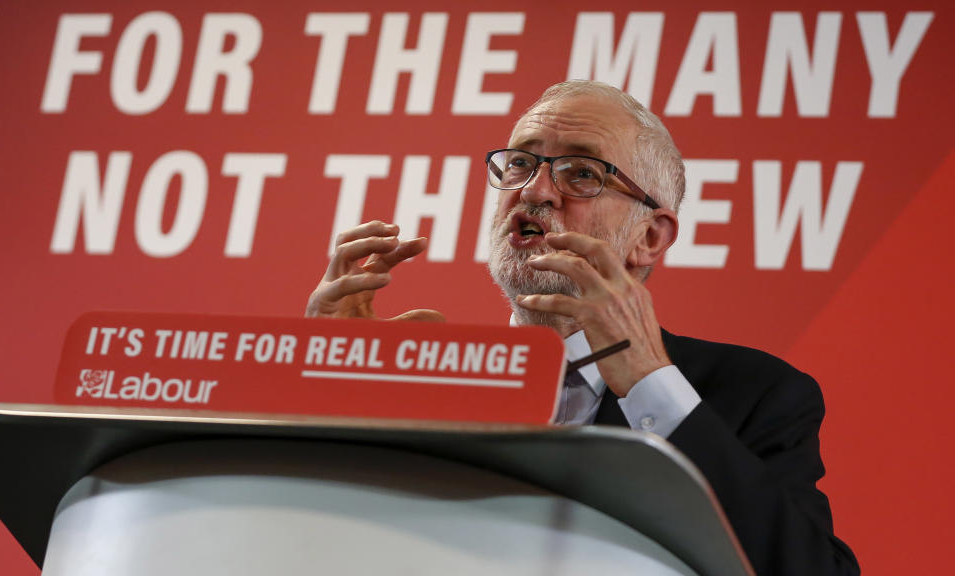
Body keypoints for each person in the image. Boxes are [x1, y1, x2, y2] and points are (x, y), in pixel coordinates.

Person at [305, 80, 860, 575]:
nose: (535, 191)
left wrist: (650, 383)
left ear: (650, 238)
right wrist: (329, 388)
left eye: (582, 174)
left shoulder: (752, 395)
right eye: (521, 163)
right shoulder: (429, 384)